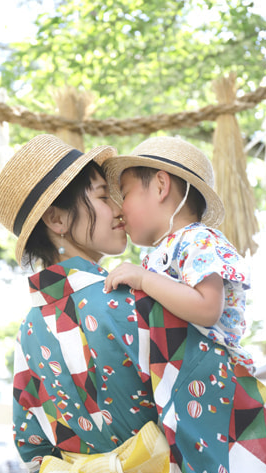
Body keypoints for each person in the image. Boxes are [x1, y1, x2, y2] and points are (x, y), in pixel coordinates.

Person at [0, 134, 266, 473]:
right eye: (101, 196)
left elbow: (31, 443)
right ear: (57, 218)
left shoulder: (27, 332)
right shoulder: (135, 300)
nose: (117, 208)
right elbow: (208, 398)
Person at [104, 135, 253, 367]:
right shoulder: (168, 250)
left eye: (124, 195)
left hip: (218, 378)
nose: (119, 208)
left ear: (161, 186)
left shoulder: (198, 239)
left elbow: (207, 308)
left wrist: (143, 279)